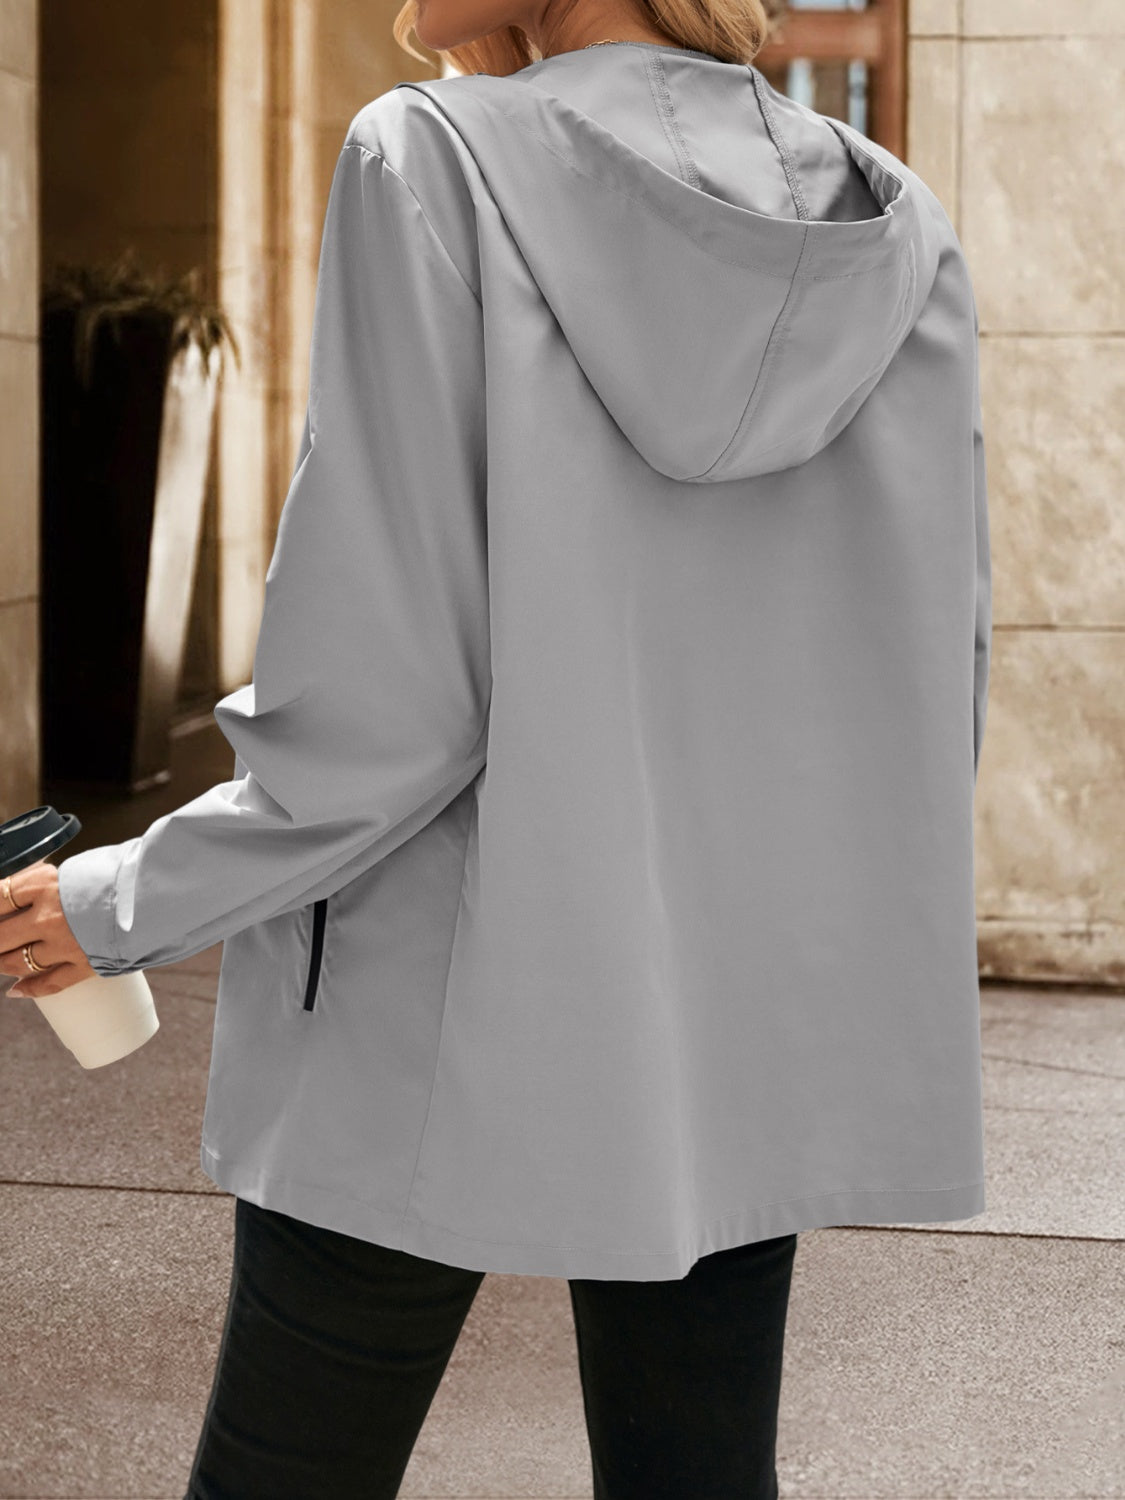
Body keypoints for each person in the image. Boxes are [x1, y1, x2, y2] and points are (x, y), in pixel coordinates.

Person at [0, 0, 991, 1493]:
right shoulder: (892, 224)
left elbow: (389, 707)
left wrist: (115, 903)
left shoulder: (432, 159)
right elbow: (927, 676)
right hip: (729, 1014)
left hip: (429, 998)